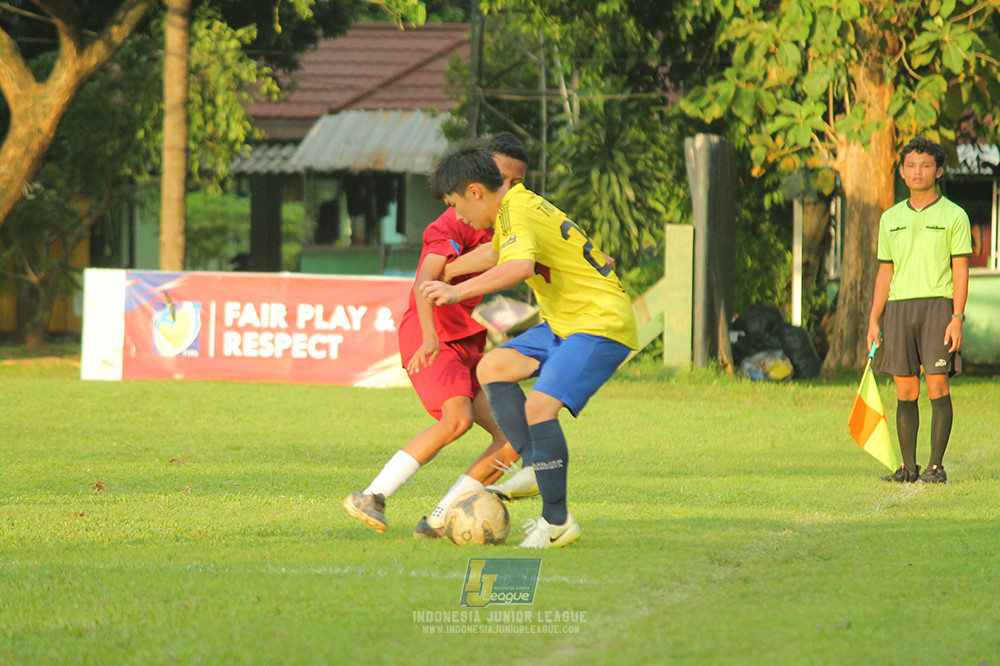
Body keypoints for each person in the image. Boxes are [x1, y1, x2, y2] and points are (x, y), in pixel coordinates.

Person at [421, 142, 638, 548]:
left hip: (599, 323)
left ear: (474, 191)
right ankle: (539, 465)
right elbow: (497, 252)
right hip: (566, 321)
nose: (458, 215)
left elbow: (517, 266)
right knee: (493, 368)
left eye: (456, 204)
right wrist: (446, 271)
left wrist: (455, 290)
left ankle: (556, 522)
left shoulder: (516, 210)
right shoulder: (516, 206)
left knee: (539, 406)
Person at [343, 134, 536, 536]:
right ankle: (372, 494)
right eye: (502, 178)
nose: (509, 189)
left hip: (469, 342)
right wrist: (430, 337)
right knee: (458, 419)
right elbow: (425, 283)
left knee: (513, 436)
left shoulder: (508, 221)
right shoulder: (452, 221)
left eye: (517, 183)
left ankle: (440, 517)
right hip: (433, 336)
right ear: (476, 181)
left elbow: (504, 255)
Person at [866, 137, 972, 484]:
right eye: (911, 165)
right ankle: (908, 467)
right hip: (898, 310)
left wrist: (957, 317)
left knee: (937, 386)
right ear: (901, 171)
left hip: (937, 308)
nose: (917, 172)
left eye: (925, 165)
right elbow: (885, 271)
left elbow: (960, 269)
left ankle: (935, 467)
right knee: (905, 391)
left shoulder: (954, 215)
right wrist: (874, 318)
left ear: (938, 171)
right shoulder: (890, 218)